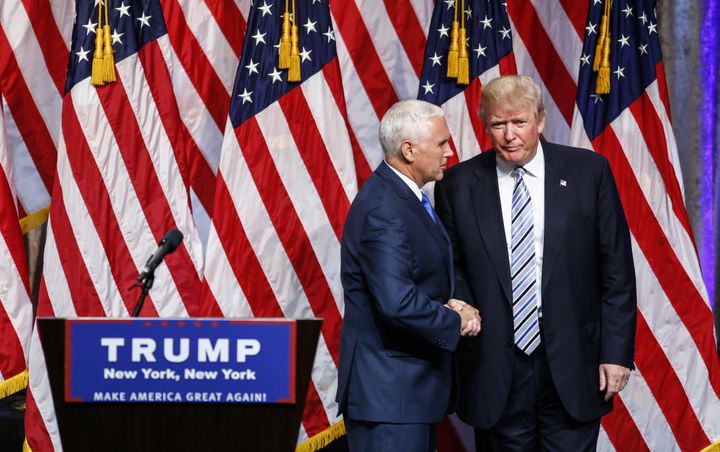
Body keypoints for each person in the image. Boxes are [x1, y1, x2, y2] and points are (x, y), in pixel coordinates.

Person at [434, 75, 637, 451]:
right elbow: (451, 268)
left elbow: (617, 271)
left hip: (575, 364)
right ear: (486, 127)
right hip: (495, 367)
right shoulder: (458, 185)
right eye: (498, 124)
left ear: (540, 121)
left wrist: (616, 353)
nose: (510, 134)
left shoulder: (588, 173)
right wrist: (465, 309)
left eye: (519, 122)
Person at [336, 99, 481, 452]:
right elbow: (396, 301)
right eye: (442, 143)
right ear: (409, 150)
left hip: (405, 396)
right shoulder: (385, 209)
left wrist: (448, 301)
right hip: (390, 399)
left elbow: (408, 281)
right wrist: (455, 319)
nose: (450, 151)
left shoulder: (402, 198)